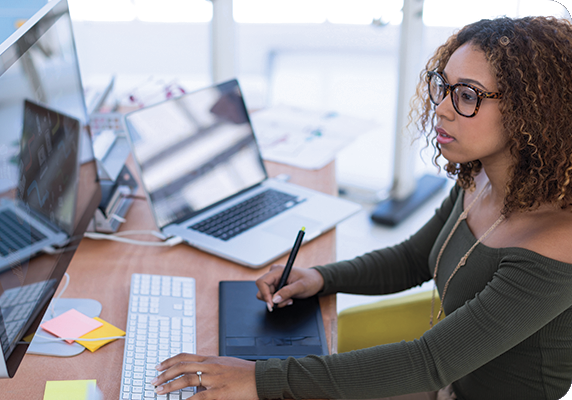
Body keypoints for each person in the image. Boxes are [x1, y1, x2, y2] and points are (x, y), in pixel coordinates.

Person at [150, 16, 572, 400]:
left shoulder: (558, 243)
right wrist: (319, 277)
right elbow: (412, 258)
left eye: (466, 95)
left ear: (530, 113)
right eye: (443, 87)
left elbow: (426, 363)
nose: (442, 107)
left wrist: (259, 380)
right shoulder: (482, 179)